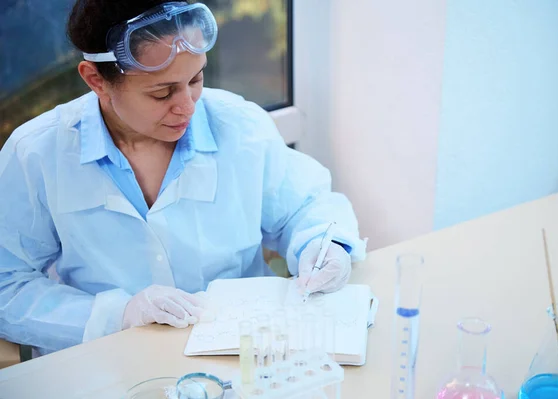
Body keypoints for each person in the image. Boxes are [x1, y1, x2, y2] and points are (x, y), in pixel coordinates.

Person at [0, 0, 366, 356]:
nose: (188, 106)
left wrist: (324, 244)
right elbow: (6, 285)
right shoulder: (38, 153)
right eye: (162, 92)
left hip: (247, 352)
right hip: (111, 364)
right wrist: (118, 315)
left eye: (196, 79)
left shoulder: (240, 126)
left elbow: (305, 207)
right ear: (96, 79)